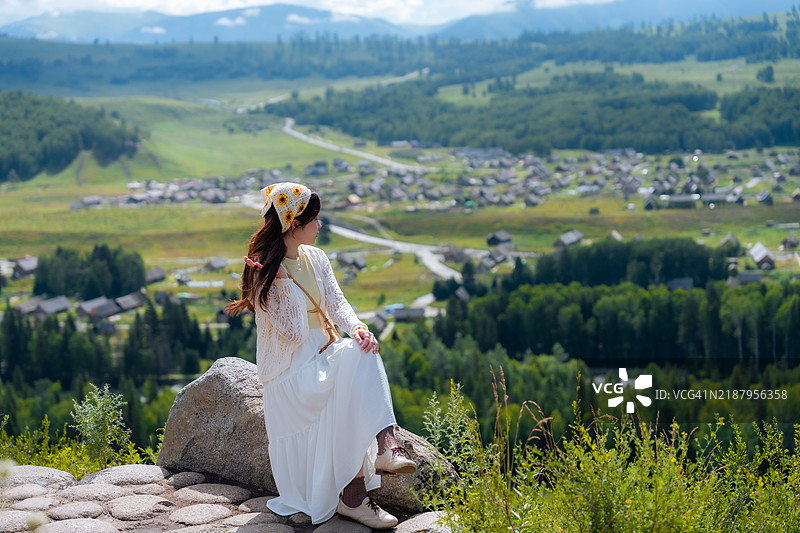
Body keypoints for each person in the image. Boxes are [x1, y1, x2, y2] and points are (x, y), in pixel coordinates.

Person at [225, 182, 416, 530]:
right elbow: (295, 334)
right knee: (352, 372)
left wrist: (357, 327)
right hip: (290, 373)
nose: (320, 226)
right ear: (292, 225)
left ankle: (382, 457)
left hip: (322, 357)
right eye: (314, 220)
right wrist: (280, 282)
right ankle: (356, 495)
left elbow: (336, 302)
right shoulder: (265, 273)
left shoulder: (317, 257)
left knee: (362, 349)